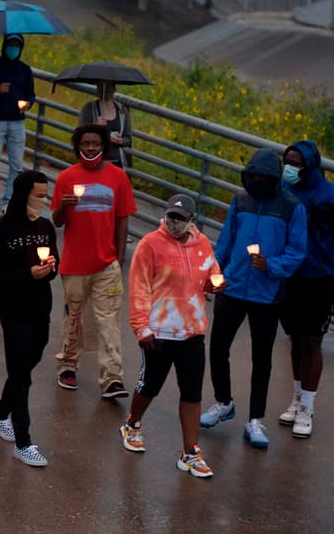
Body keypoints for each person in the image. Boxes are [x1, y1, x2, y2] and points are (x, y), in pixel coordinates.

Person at [201, 148, 308, 450]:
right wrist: (213, 275)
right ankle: (224, 402)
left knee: (261, 358)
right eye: (254, 176)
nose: (258, 181)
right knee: (218, 347)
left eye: (264, 177)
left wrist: (271, 265)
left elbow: (297, 251)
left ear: (274, 178)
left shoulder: (292, 207)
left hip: (267, 294)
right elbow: (226, 241)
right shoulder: (240, 201)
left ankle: (255, 420)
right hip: (232, 287)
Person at [121, 195, 222, 479]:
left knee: (192, 392)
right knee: (150, 386)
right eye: (170, 217)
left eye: (179, 219)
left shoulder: (203, 244)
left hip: (192, 332)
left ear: (191, 220)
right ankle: (132, 424)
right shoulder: (150, 244)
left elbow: (211, 274)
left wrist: (215, 284)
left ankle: (190, 452)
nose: (173, 223)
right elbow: (139, 288)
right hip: (159, 333)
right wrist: (142, 328)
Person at [277, 140, 334, 439]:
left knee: (312, 342)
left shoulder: (333, 198)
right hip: (290, 277)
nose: (290, 167)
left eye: (296, 163)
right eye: (287, 161)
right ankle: (297, 399)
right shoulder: (284, 191)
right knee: (295, 340)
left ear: (310, 165)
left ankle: (308, 408)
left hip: (322, 279)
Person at [51, 124, 138, 398]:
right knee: (73, 319)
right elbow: (57, 221)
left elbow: (123, 219)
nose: (90, 148)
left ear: (103, 146)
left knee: (109, 321)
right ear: (77, 147)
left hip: (106, 265)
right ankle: (67, 365)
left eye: (95, 144)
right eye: (85, 144)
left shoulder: (118, 177)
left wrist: (119, 258)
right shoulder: (66, 177)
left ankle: (112, 378)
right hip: (75, 264)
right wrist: (64, 206)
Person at [0, 170, 58, 468]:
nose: (42, 201)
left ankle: (2, 412)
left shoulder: (46, 227)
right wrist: (28, 274)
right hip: (13, 310)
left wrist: (49, 269)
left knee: (27, 363)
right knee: (21, 373)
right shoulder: (0, 231)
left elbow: (54, 267)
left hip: (40, 308)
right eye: (37, 196)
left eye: (44, 196)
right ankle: (23, 442)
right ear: (23, 194)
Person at [0, 34, 34, 209]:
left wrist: (27, 104)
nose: (13, 48)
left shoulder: (25, 70)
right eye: (10, 44)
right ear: (4, 45)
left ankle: (8, 202)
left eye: (17, 45)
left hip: (17, 122)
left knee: (17, 165)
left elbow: (31, 95)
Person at [79, 82, 133, 168]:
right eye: (101, 86)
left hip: (117, 163)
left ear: (114, 89)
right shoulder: (89, 108)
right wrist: (94, 126)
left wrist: (121, 141)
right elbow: (79, 135)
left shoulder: (122, 111)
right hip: (95, 162)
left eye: (108, 86)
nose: (105, 89)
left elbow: (128, 139)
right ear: (97, 89)